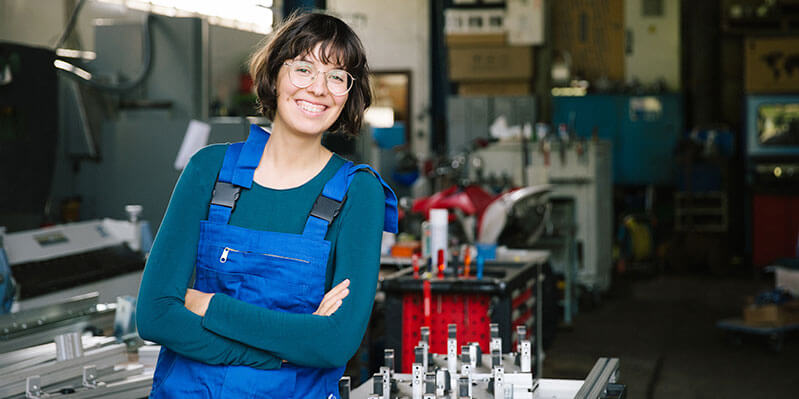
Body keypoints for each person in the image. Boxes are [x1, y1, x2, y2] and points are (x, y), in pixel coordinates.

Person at [136, 12, 397, 399]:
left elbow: (334, 342)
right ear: (275, 74)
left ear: (349, 95)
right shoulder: (209, 169)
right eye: (304, 69)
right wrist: (285, 353)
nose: (319, 88)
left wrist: (208, 305)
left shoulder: (359, 192)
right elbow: (156, 315)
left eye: (337, 77)